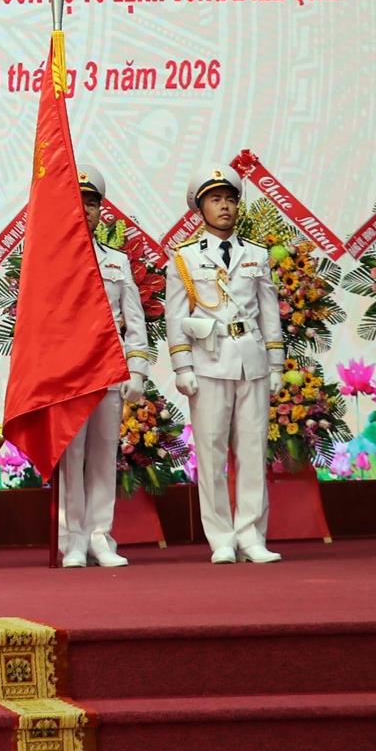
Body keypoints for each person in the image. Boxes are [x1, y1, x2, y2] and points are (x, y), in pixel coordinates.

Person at [166, 168, 285, 564]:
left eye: (230, 199)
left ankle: (251, 535)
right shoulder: (184, 257)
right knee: (211, 451)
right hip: (209, 360)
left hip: (252, 360)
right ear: (199, 208)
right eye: (215, 200)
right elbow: (175, 315)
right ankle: (221, 538)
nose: (225, 207)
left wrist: (276, 364)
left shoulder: (256, 254)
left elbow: (269, 313)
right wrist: (182, 366)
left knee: (252, 450)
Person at [56, 167, 151, 568]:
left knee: (102, 456)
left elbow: (134, 319)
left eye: (92, 203)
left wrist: (138, 369)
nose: (86, 210)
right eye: (78, 203)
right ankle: (72, 539)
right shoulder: (50, 261)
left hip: (109, 369)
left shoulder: (116, 261)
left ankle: (100, 536)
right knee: (71, 458)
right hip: (69, 375)